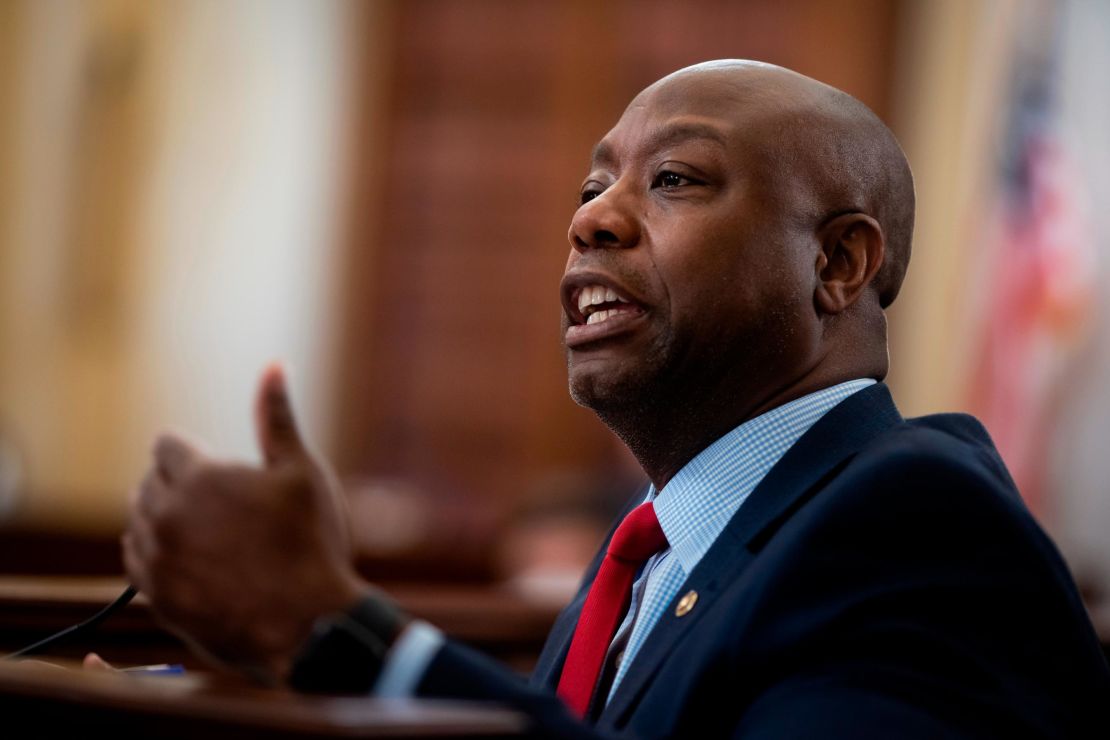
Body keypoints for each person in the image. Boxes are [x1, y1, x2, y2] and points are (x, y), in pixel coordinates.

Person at [122, 60, 1110, 737]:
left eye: (675, 177)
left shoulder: (915, 523)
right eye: (594, 185)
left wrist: (342, 633)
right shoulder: (656, 545)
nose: (592, 217)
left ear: (839, 261)